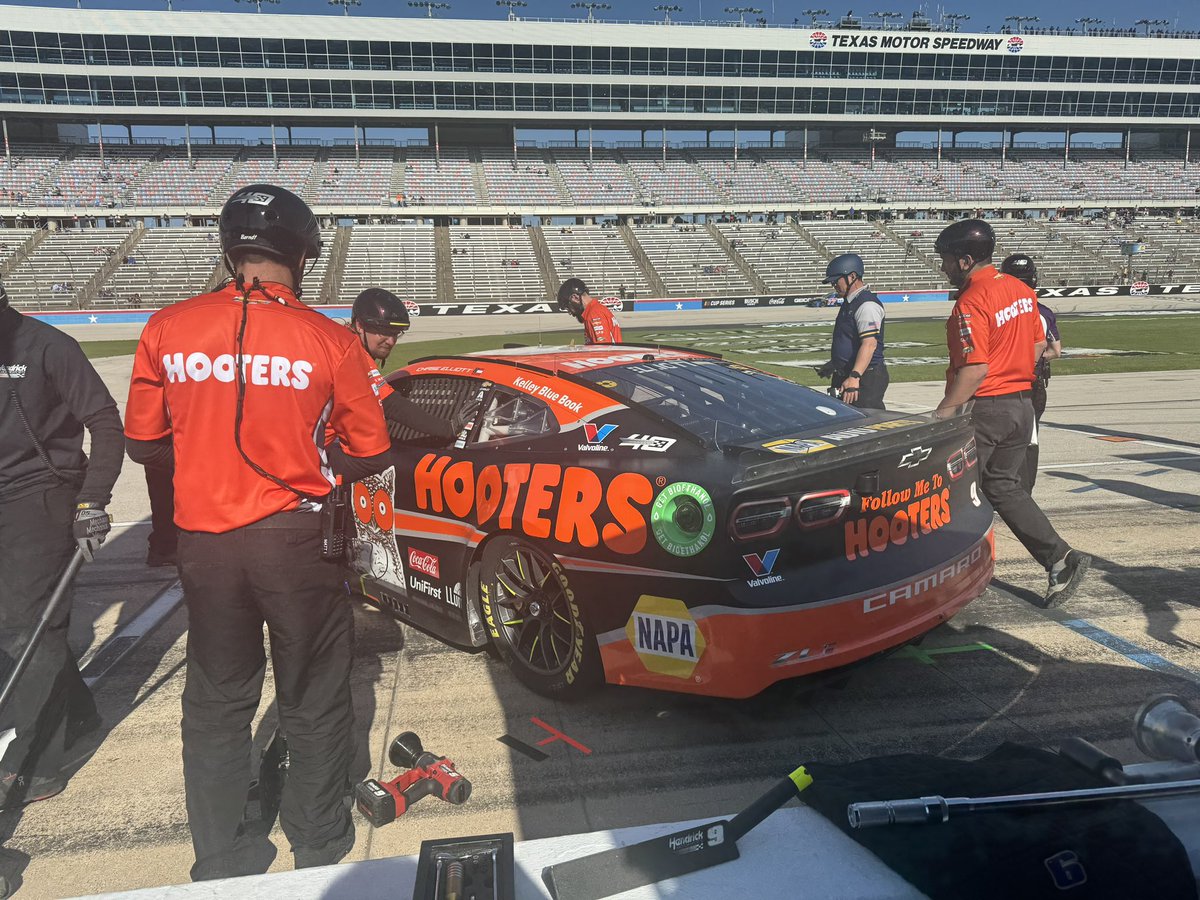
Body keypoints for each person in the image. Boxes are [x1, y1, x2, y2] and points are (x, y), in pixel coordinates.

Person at [124, 184, 392, 881]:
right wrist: (315, 457)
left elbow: (143, 444)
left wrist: (206, 451)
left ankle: (221, 858)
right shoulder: (331, 339)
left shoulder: (166, 327)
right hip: (296, 542)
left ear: (228, 249)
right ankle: (318, 844)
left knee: (216, 702)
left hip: (205, 544)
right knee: (314, 695)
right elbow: (370, 451)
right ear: (302, 255)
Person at [0, 280, 122, 808]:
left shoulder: (48, 346)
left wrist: (92, 501)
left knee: (29, 630)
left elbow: (106, 423)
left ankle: (35, 766)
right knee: (16, 626)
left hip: (42, 495)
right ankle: (78, 712)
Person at [934, 220, 1089, 609]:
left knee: (955, 492)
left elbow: (975, 368)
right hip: (1022, 404)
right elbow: (1038, 345)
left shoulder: (971, 300)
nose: (943, 267)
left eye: (947, 260)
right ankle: (1059, 558)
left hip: (987, 408)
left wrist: (945, 413)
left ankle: (950, 577)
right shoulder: (1022, 291)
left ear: (965, 260)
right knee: (1003, 486)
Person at [346, 288, 457, 442]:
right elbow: (391, 404)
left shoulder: (341, 341)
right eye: (384, 331)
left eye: (396, 333)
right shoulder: (351, 354)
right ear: (360, 325)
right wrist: (449, 428)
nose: (391, 341)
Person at [999, 254, 1062, 492]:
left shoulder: (998, 309)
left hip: (1001, 382)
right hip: (1033, 382)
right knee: (1029, 437)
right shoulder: (1043, 312)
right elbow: (1055, 351)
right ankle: (1023, 491)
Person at [818, 253, 889, 409]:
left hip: (865, 377)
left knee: (866, 419)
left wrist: (855, 376)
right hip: (847, 374)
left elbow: (869, 344)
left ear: (852, 276)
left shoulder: (867, 305)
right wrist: (834, 364)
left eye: (836, 281)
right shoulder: (849, 302)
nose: (834, 286)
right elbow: (849, 340)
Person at [556, 278, 622, 345]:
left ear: (575, 298)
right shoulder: (596, 309)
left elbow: (603, 349)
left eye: (569, 307)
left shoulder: (594, 314)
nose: (570, 313)